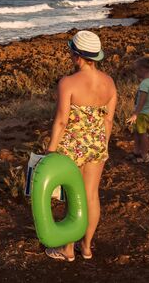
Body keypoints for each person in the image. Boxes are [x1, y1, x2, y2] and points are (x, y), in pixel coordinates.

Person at [44, 30, 117, 262]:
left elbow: (62, 120)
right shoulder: (109, 82)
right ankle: (86, 248)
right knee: (91, 195)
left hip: (72, 146)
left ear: (76, 56)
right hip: (97, 144)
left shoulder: (68, 83)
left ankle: (68, 249)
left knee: (73, 197)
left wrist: (51, 150)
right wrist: (102, 144)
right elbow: (108, 119)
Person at [127, 57, 149, 163]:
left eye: (137, 70)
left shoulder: (144, 84)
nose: (136, 72)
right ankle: (137, 151)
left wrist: (135, 113)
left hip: (142, 113)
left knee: (142, 133)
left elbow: (142, 101)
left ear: (143, 69)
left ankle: (144, 155)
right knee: (137, 132)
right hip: (146, 112)